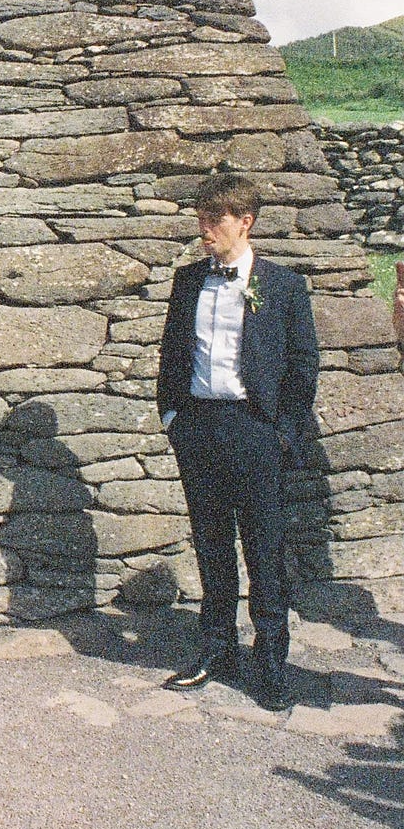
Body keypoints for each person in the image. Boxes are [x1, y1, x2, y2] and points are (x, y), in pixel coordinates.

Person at [156, 167, 319, 711]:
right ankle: (215, 648)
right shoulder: (187, 281)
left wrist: (281, 432)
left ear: (244, 223)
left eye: (214, 220)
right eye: (200, 219)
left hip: (256, 431)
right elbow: (172, 355)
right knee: (211, 543)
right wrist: (173, 417)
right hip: (199, 428)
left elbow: (303, 364)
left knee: (264, 549)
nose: (203, 229)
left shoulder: (283, 286)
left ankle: (271, 659)